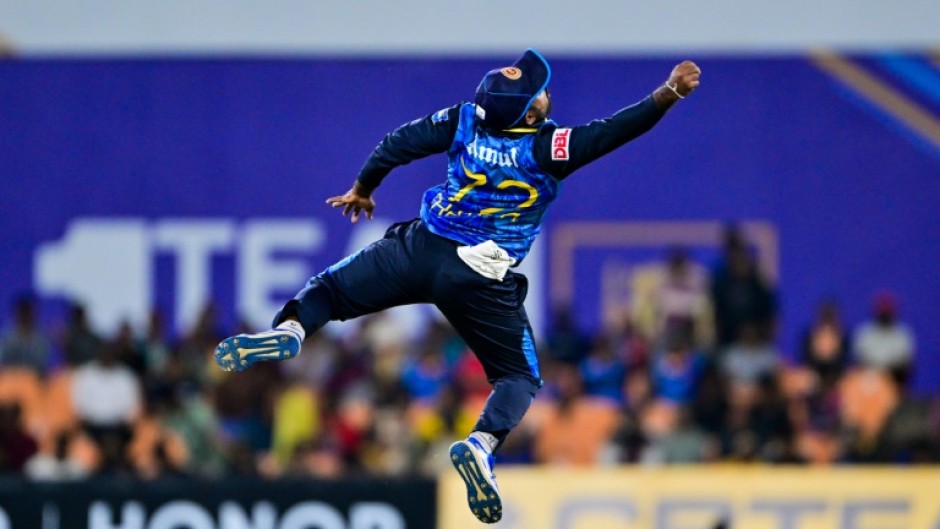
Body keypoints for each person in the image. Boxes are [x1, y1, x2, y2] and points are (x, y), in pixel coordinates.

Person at [215, 49, 700, 523]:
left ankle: (295, 331)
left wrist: (364, 188)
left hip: (421, 247)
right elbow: (616, 131)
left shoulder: (465, 118)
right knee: (519, 377)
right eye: (540, 92)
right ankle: (481, 444)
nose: (547, 92)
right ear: (531, 111)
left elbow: (397, 143)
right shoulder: (547, 147)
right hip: (479, 272)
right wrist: (669, 92)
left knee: (329, 289)